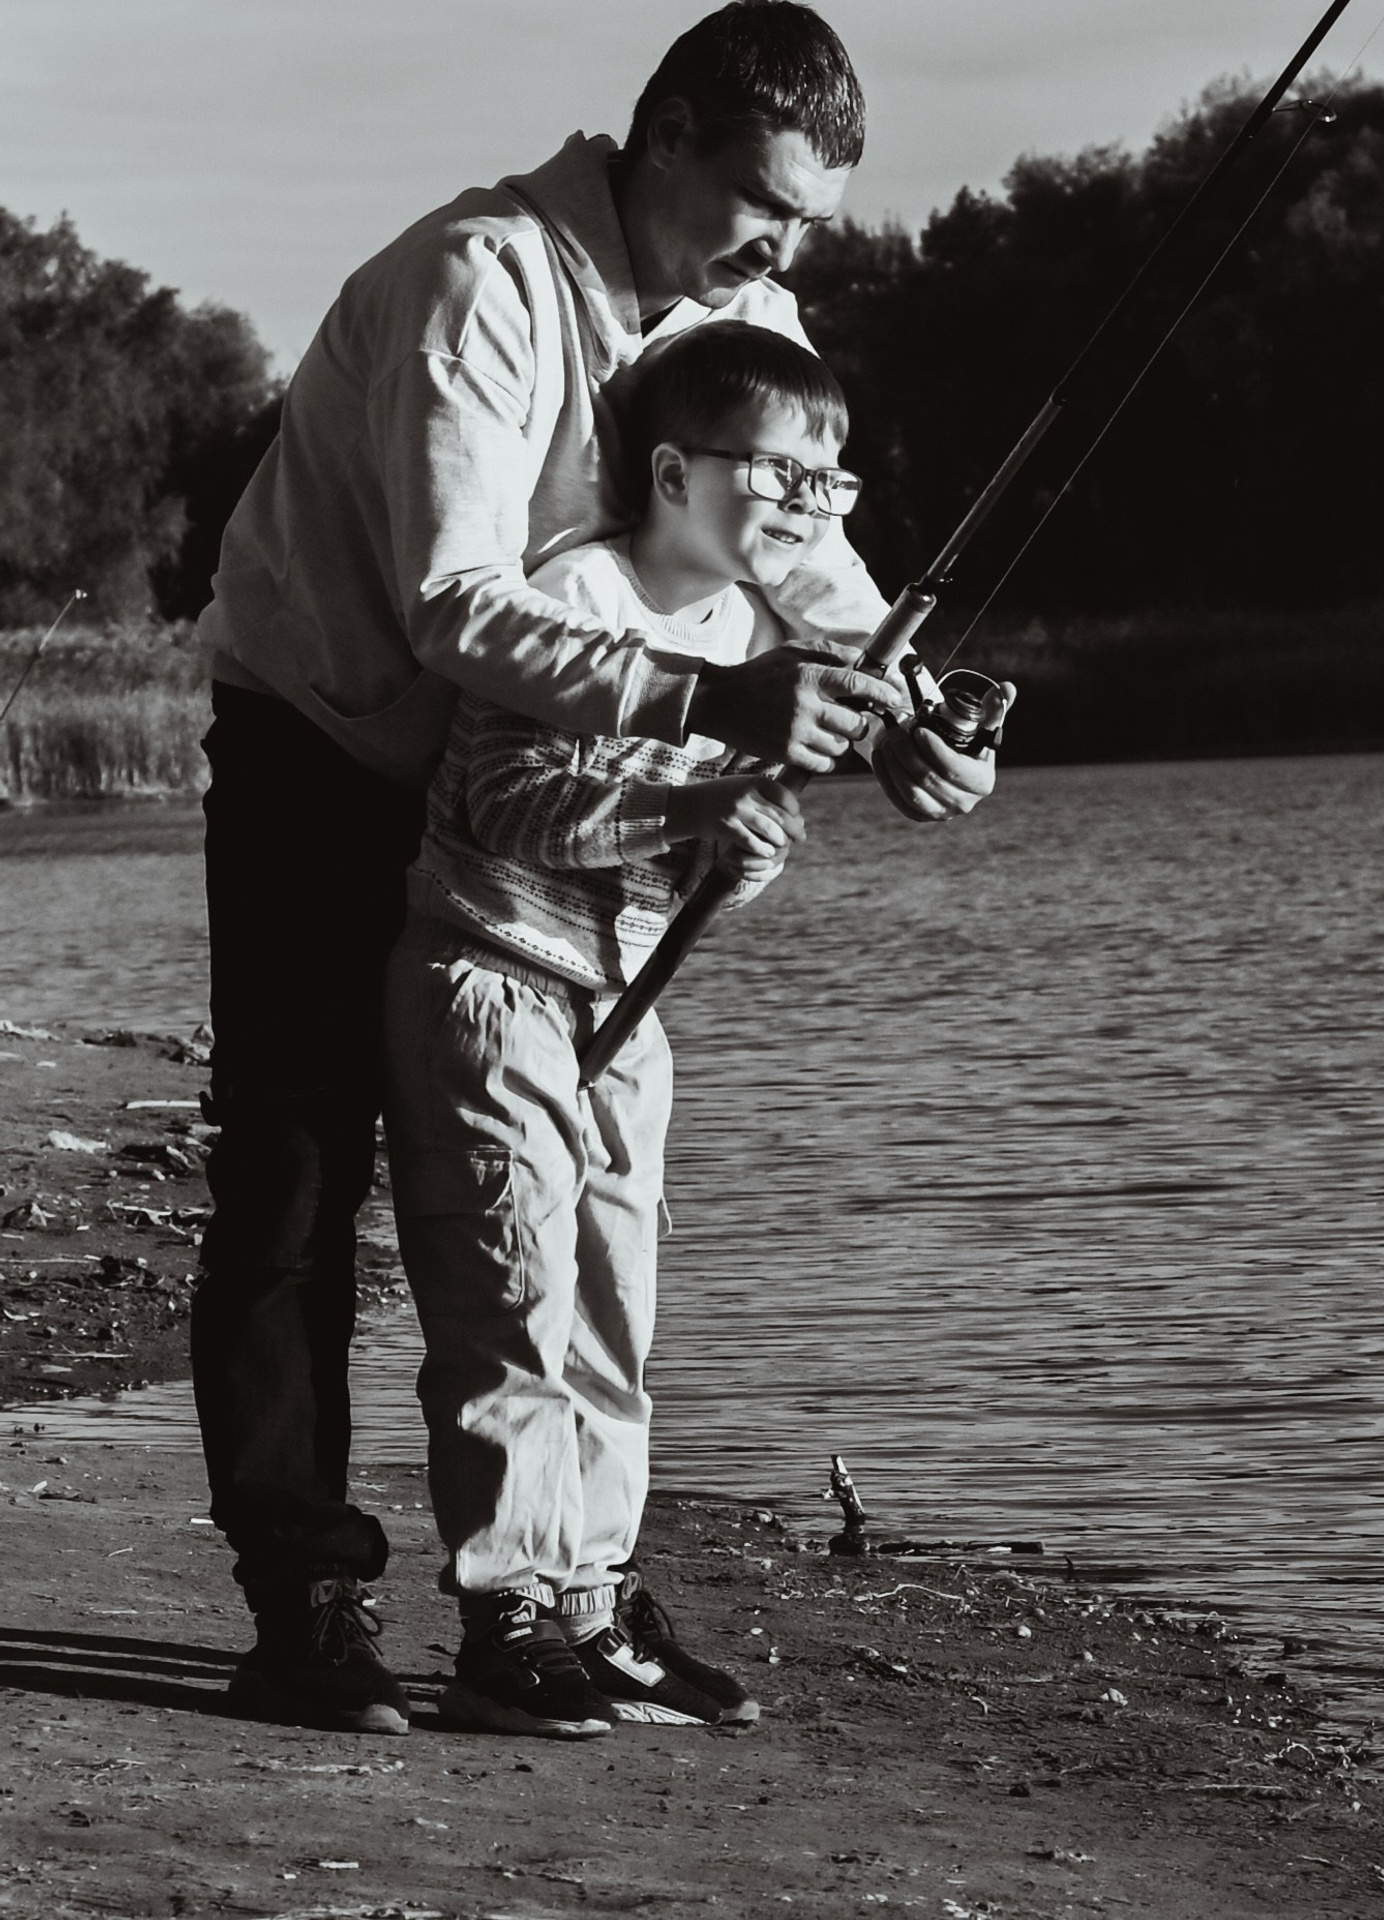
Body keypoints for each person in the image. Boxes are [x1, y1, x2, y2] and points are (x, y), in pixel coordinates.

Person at [193, 0, 1002, 1736]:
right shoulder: (483, 282)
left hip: (543, 816)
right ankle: (306, 1602)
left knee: (583, 1243)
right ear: (669, 133)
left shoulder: (745, 308)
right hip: (330, 739)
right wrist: (724, 692)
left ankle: (579, 1591)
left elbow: (803, 550)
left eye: (806, 231)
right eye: (762, 207)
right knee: (293, 1173)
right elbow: (456, 608)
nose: (782, 257)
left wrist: (906, 713)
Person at [384, 321, 914, 1738]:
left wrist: (737, 852)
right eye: (785, 478)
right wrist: (692, 808)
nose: (811, 509)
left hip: (629, 1009)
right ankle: (502, 1617)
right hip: (494, 982)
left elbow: (686, 862)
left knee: (617, 1311)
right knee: (513, 1303)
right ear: (674, 471)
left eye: (831, 485)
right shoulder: (577, 591)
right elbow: (512, 806)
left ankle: (592, 1602)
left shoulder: (754, 638)